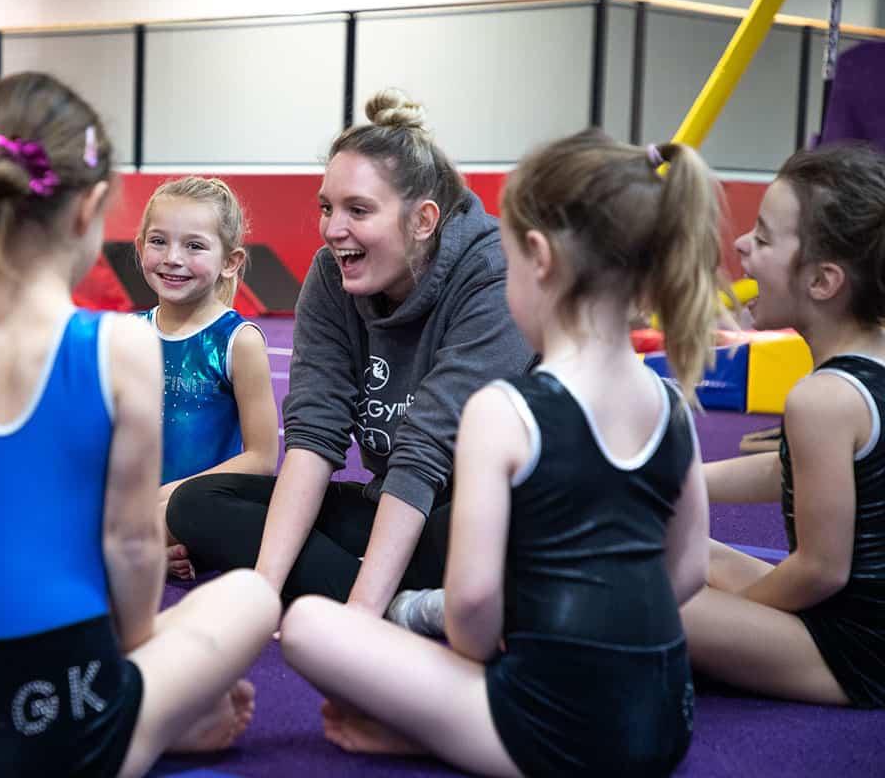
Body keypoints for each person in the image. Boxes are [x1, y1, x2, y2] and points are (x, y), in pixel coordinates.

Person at [0, 72, 279, 778]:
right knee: (250, 595)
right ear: (91, 209)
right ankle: (148, 721)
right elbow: (131, 542)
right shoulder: (121, 346)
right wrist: (141, 661)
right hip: (75, 721)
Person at [280, 129, 716, 776]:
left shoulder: (505, 412)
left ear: (537, 258)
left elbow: (474, 607)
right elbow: (687, 573)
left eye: (507, 264)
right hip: (666, 722)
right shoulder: (672, 406)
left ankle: (442, 733)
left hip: (551, 732)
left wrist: (408, 614)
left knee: (314, 627)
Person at [167, 89, 535, 614]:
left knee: (490, 527)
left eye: (357, 210)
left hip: (479, 513)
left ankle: (389, 598)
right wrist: (264, 591)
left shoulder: (493, 273)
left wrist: (359, 620)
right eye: (326, 208)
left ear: (423, 220)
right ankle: (415, 607)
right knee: (198, 505)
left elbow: (427, 450)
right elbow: (314, 432)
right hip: (393, 506)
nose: (334, 230)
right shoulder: (329, 273)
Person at [684, 144, 885, 708]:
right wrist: (687, 478)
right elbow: (799, 470)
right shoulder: (870, 367)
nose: (743, 243)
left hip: (853, 648)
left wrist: (739, 615)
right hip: (857, 621)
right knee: (696, 551)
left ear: (823, 281)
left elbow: (821, 571)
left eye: (765, 239)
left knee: (638, 599)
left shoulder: (821, 400)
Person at [135, 176, 277, 580]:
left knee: (168, 515)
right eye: (159, 241)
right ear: (140, 246)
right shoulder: (127, 335)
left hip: (196, 503)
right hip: (133, 504)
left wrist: (172, 491)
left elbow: (262, 458)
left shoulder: (238, 342)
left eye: (194, 246)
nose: (172, 258)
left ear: (230, 261)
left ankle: (132, 556)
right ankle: (141, 557)